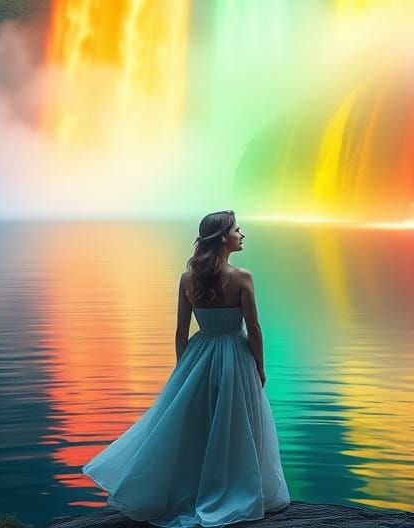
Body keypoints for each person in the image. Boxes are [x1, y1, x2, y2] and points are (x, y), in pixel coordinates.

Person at [82, 210, 291, 527]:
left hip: (199, 354)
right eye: (237, 229)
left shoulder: (188, 279)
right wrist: (260, 368)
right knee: (237, 426)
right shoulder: (242, 277)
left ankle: (189, 490)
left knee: (196, 428)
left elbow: (181, 331)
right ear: (224, 238)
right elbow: (255, 328)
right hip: (235, 355)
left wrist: (184, 372)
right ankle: (236, 489)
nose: (242, 234)